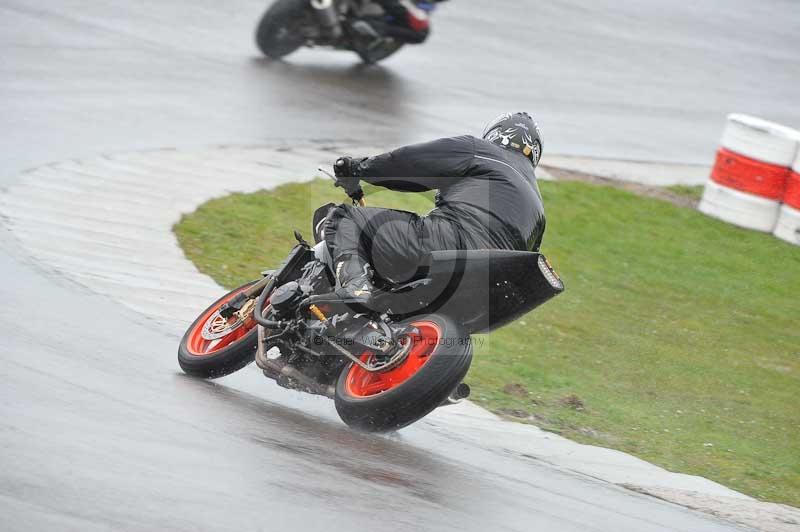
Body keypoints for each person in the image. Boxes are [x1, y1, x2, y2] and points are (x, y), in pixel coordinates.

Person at [326, 112, 546, 303]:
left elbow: (410, 163)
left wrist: (358, 169)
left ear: (495, 133)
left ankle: (355, 287)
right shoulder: (538, 208)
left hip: (451, 245)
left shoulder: (480, 150)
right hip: (487, 286)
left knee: (344, 219)